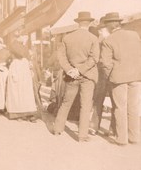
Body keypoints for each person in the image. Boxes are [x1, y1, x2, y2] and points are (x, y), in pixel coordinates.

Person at [53, 11, 100, 142]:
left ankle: (57, 129)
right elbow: (94, 58)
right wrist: (81, 70)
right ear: (89, 23)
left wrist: (70, 70)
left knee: (66, 103)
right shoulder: (93, 39)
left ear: (78, 23)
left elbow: (61, 57)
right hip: (88, 76)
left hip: (71, 76)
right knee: (85, 106)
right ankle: (82, 136)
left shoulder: (67, 38)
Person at [100, 12, 141, 145]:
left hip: (118, 78)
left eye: (106, 25)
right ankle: (134, 137)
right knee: (133, 107)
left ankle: (122, 139)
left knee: (120, 108)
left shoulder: (108, 40)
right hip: (136, 76)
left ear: (110, 26)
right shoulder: (134, 35)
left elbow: (105, 63)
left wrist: (109, 76)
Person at [89, 16, 116, 136]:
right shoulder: (100, 40)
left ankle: (110, 128)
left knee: (113, 101)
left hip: (109, 73)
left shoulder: (108, 40)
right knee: (100, 100)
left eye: (101, 29)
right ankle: (97, 126)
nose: (99, 31)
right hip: (103, 73)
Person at [5, 32, 37, 122]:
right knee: (17, 90)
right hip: (17, 67)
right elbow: (21, 54)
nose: (26, 38)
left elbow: (26, 56)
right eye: (24, 36)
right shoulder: (14, 45)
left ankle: (28, 112)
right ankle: (18, 113)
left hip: (24, 67)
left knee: (26, 91)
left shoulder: (21, 45)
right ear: (19, 37)